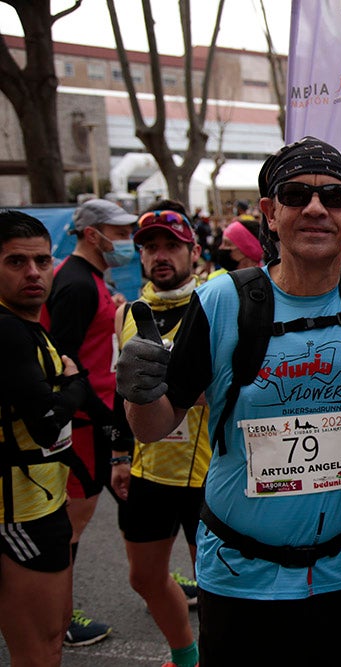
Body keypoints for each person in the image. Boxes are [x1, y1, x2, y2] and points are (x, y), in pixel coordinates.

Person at [116, 136, 341, 665]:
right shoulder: (222, 300)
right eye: (295, 195)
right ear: (270, 213)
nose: (315, 208)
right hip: (239, 577)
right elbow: (153, 426)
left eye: (334, 196)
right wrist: (139, 390)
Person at [109, 203, 206, 667]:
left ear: (194, 252)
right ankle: (184, 655)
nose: (160, 255)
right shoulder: (127, 312)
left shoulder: (215, 302)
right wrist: (118, 455)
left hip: (208, 472)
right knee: (144, 578)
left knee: (217, 583)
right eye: (150, 247)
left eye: (172, 245)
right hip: (150, 469)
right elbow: (121, 390)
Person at [42, 197, 137, 646]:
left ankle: (153, 579)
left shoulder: (91, 279)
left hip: (95, 415)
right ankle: (59, 619)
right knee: (73, 524)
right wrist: (102, 417)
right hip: (84, 422)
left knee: (124, 506)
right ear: (91, 234)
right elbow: (63, 357)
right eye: (119, 233)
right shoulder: (77, 283)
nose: (127, 241)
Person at [0, 211, 92, 667]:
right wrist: (75, 383)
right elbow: (47, 422)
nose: (33, 272)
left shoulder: (27, 326)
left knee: (50, 641)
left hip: (40, 502)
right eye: (16, 262)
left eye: (41, 260)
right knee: (39, 651)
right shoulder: (7, 330)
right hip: (20, 514)